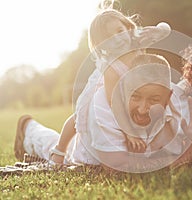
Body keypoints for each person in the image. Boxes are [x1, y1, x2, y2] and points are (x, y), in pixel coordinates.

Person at [14, 6, 172, 165]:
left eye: (119, 31)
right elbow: (114, 103)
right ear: (102, 45)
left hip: (129, 99)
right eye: (109, 38)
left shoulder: (138, 47)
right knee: (78, 119)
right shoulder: (112, 68)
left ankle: (37, 134)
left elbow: (161, 32)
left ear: (128, 27)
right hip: (108, 99)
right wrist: (129, 133)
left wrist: (157, 31)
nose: (117, 39)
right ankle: (54, 146)